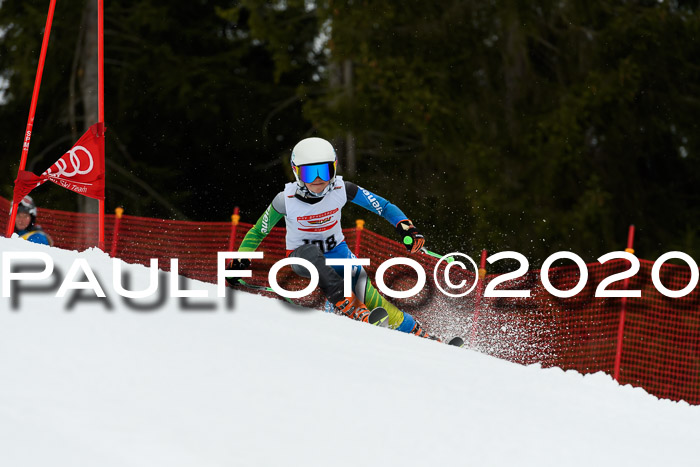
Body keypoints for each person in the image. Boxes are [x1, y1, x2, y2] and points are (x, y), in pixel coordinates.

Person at [227, 137, 439, 340]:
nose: (318, 179)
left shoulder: (342, 189)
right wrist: (239, 260)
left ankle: (417, 333)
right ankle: (352, 307)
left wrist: (406, 227)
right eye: (310, 173)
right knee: (313, 255)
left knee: (376, 301)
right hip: (302, 257)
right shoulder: (285, 200)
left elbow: (383, 206)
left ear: (334, 168)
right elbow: (258, 231)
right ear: (297, 172)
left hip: (339, 254)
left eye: (324, 171)